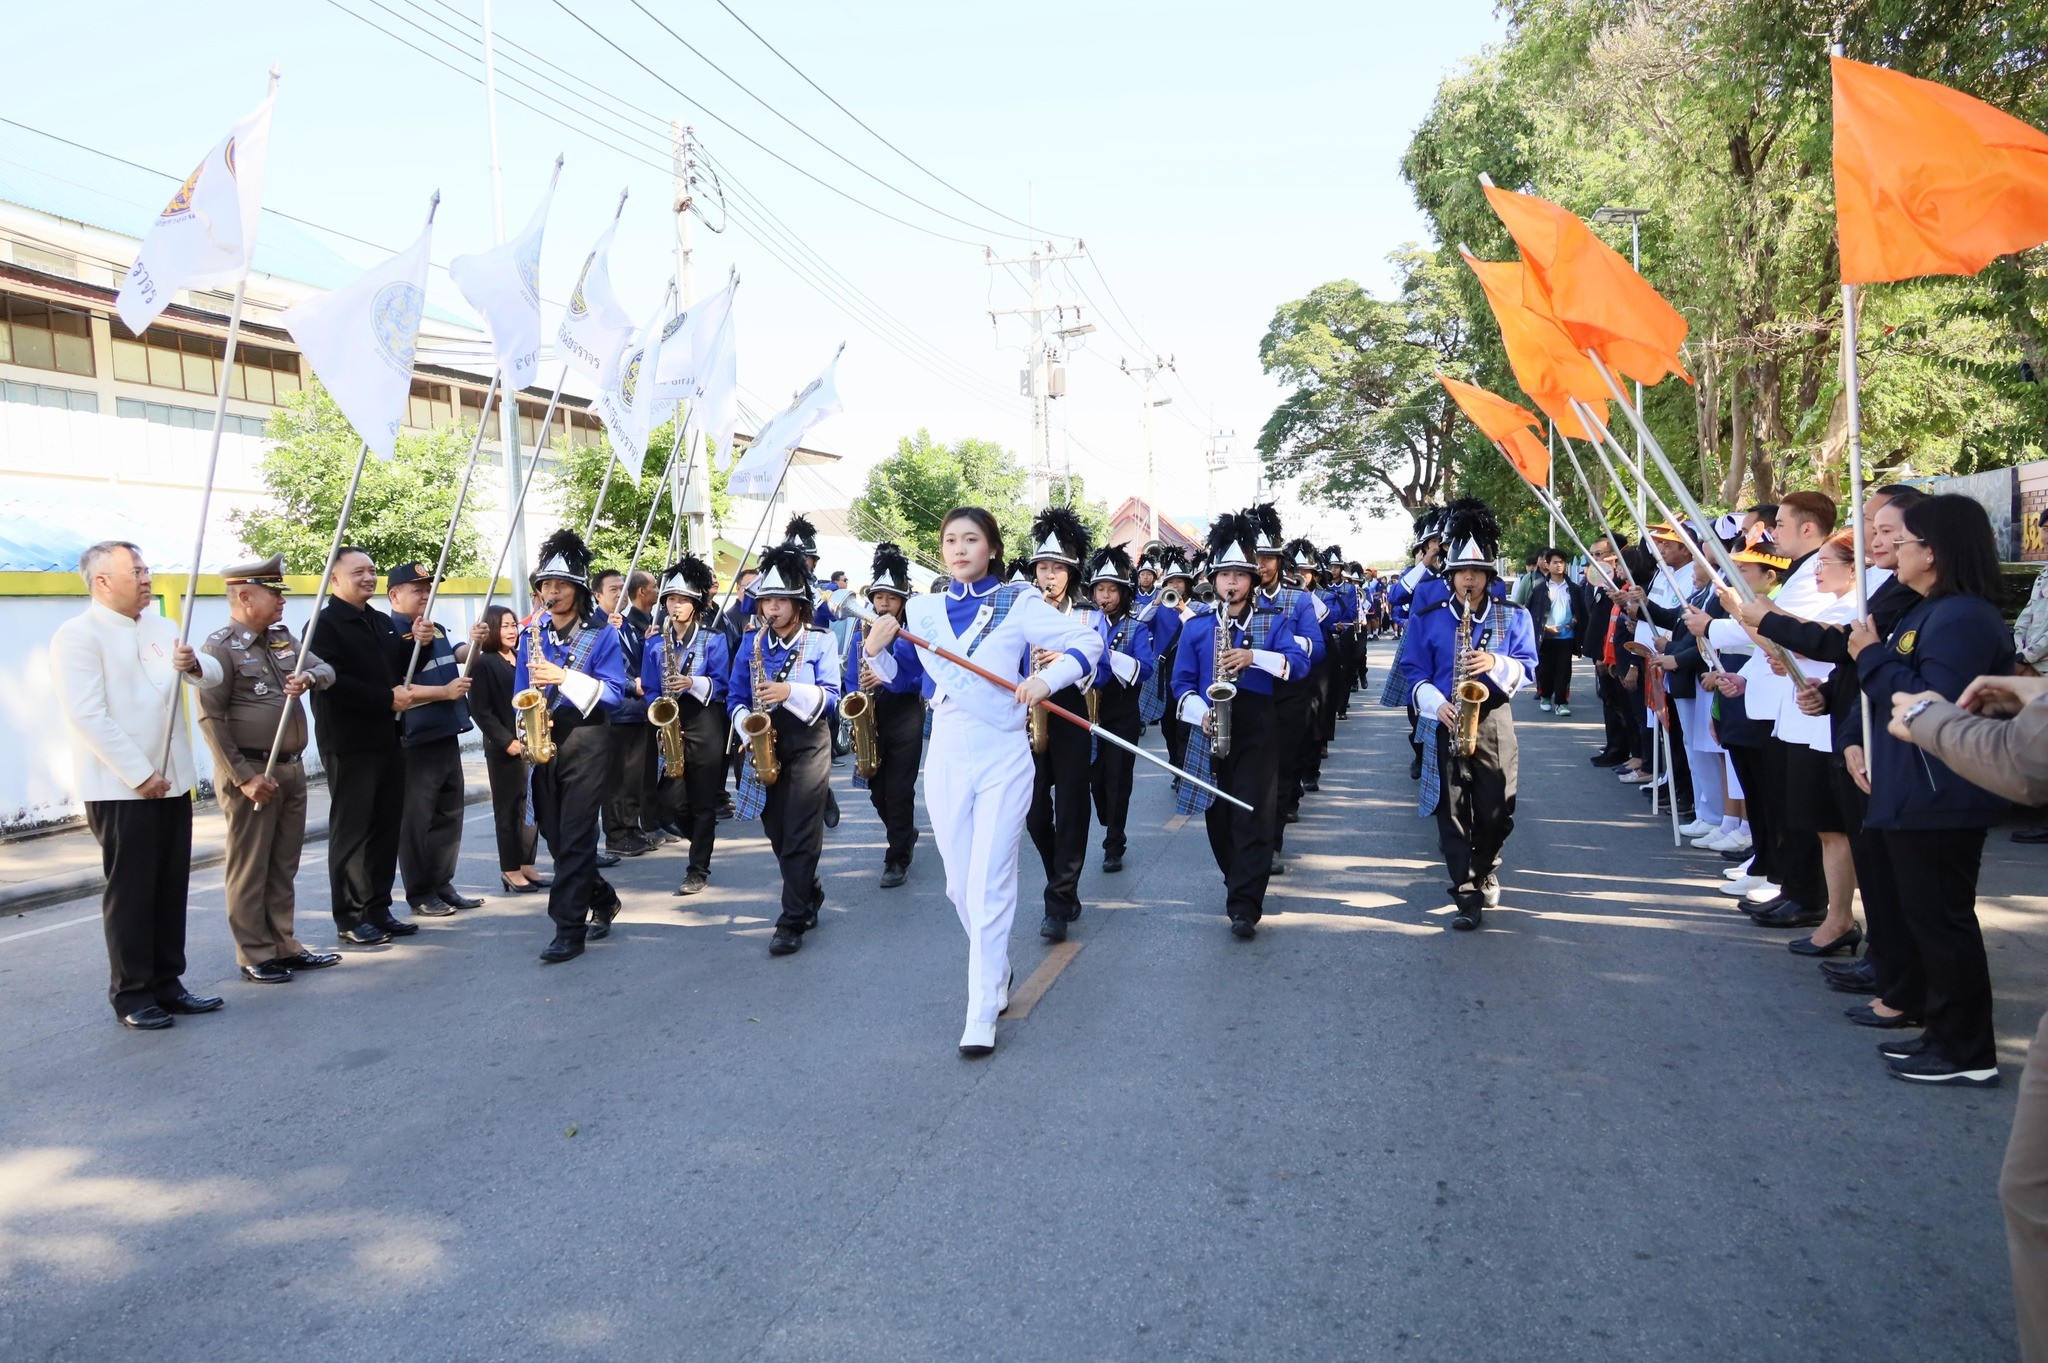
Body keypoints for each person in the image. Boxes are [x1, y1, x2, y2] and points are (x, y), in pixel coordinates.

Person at [861, 506, 1100, 1055]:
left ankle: (980, 1012)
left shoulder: (1019, 601)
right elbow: (907, 679)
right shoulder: (922, 609)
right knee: (957, 885)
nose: (959, 549)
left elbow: (1086, 646)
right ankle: (996, 968)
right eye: (950, 540)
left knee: (989, 879)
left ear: (991, 548)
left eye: (971, 539)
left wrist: (1047, 679)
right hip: (946, 749)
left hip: (1002, 750)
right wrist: (876, 650)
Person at [1848, 493, 2016, 1086]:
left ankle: (1967, 1052)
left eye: (1904, 541)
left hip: (1941, 792)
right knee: (1925, 921)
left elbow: (1933, 705)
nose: (1892, 550)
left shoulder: (1963, 617)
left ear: (1934, 552)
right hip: (1913, 790)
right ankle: (1943, 1032)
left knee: (1943, 924)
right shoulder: (1930, 610)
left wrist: (1871, 657)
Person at [51, 540, 227, 1029]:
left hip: (171, 780)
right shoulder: (77, 635)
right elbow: (88, 715)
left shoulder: (162, 626)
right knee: (132, 891)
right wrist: (140, 774)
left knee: (171, 886)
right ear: (102, 581)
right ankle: (132, 994)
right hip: (121, 787)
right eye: (137, 572)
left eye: (147, 571)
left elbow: (209, 675)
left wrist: (195, 665)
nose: (146, 579)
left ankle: (169, 984)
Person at [195, 556, 344, 985]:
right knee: (251, 866)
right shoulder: (220, 648)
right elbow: (210, 719)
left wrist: (308, 680)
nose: (281, 601)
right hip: (253, 772)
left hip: (290, 768)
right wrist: (243, 778)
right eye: (273, 593)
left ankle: (284, 944)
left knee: (283, 864)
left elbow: (326, 669)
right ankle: (254, 952)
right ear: (245, 597)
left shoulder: (282, 638)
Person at [1171, 511, 1311, 939]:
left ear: (1251, 580)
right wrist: (1200, 713)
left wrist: (1254, 657)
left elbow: (1299, 664)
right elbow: (1180, 683)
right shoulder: (1198, 627)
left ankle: (1245, 904)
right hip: (1210, 722)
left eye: (1239, 575)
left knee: (1253, 811)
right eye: (1224, 576)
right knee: (1218, 816)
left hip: (1258, 723)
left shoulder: (1274, 620)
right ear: (1213, 580)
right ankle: (1236, 880)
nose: (1231, 583)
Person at [1403, 500, 1538, 931]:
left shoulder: (1513, 615)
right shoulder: (1428, 618)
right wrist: (1434, 703)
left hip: (1493, 717)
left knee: (1497, 810)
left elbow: (1529, 668)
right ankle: (1466, 892)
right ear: (1450, 575)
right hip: (1445, 717)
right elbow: (1413, 669)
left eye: (1477, 572)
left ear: (1489, 576)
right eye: (1462, 571)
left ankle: (1485, 867)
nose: (1469, 579)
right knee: (1452, 812)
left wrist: (1494, 663)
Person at [515, 530, 631, 964]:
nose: (552, 592)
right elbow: (518, 689)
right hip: (544, 736)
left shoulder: (602, 636)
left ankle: (568, 929)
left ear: (579, 591)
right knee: (555, 836)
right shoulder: (533, 633)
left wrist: (563, 678)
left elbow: (615, 693)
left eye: (561, 585)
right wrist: (523, 724)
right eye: (546, 585)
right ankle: (602, 897)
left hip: (587, 737)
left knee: (578, 834)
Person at [727, 543, 842, 956]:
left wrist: (788, 691)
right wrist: (746, 724)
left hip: (808, 740)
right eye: (766, 601)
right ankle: (808, 889)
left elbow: (832, 697)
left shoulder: (820, 640)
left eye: (780, 601)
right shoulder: (751, 643)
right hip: (762, 743)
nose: (771, 609)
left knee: (799, 832)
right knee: (776, 831)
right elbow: (735, 695)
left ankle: (791, 920)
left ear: (798, 604)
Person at [309, 547, 426, 948]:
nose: (368, 577)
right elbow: (333, 683)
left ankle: (378, 907)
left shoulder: (380, 621)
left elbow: (400, 668)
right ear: (334, 578)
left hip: (388, 737)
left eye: (372, 570)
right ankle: (351, 915)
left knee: (384, 827)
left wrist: (422, 643)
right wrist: (385, 699)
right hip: (349, 742)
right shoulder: (323, 626)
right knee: (353, 832)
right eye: (358, 571)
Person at [383, 559, 478, 919]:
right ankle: (420, 892)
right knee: (417, 820)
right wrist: (444, 693)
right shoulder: (389, 633)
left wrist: (477, 643)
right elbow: (396, 688)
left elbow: (455, 655)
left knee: (449, 813)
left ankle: (442, 883)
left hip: (445, 731)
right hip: (415, 738)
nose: (425, 595)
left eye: (428, 589)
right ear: (394, 595)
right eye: (417, 590)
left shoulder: (434, 629)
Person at [1020, 507, 1097, 942]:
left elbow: (1102, 669)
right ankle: (1061, 882)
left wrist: (1066, 662)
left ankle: (1058, 901)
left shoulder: (1086, 615)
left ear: (1070, 572)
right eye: (1042, 567)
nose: (1048, 576)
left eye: (1057, 568)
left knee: (1071, 807)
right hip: (1027, 714)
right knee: (1034, 814)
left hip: (1070, 710)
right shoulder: (1021, 611)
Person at [642, 555, 731, 897]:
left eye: (682, 600)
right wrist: (658, 706)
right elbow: (650, 687)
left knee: (703, 800)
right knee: (670, 800)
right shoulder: (655, 642)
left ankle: (697, 868)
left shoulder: (713, 639)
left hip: (704, 720)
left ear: (696, 604)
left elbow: (722, 684)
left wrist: (691, 682)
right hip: (669, 722)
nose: (675, 605)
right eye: (670, 599)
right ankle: (702, 840)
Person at [845, 542, 926, 888]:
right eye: (879, 597)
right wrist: (856, 694)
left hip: (905, 712)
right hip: (870, 714)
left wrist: (888, 678)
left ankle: (897, 858)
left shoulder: (914, 633)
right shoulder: (861, 631)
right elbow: (851, 674)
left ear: (902, 601)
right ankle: (904, 832)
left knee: (898, 789)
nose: (884, 604)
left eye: (891, 598)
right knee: (877, 792)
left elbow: (923, 679)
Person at [1250, 506, 1325, 869]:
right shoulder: (1237, 595)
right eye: (1255, 558)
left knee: (1281, 770)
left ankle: (1272, 844)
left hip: (1289, 692)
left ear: (1279, 562)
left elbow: (1317, 647)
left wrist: (1276, 643)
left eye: (1267, 558)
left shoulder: (1299, 598)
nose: (1260, 565)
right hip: (1249, 692)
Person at [1084, 545, 1157, 875]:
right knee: (1096, 782)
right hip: (1087, 713)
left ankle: (1114, 843)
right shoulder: (1083, 623)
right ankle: (1109, 820)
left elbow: (1145, 669)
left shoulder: (1136, 628)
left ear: (1124, 593)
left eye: (1112, 590)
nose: (1105, 596)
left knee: (1117, 780)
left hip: (1122, 713)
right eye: (1100, 589)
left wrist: (1104, 655)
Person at [467, 603, 547, 895]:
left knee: (530, 807)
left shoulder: (521, 658)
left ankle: (527, 864)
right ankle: (510, 869)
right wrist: (506, 741)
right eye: (504, 626)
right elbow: (480, 710)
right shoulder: (484, 663)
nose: (512, 631)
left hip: (531, 742)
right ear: (491, 628)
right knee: (508, 810)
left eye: (514, 625)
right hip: (505, 748)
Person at [593, 567, 655, 858]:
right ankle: (616, 833)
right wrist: (632, 686)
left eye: (622, 588)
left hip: (637, 710)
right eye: (613, 590)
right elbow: (602, 669)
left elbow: (637, 660)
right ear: (598, 595)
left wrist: (647, 640)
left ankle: (631, 826)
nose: (620, 594)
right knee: (617, 778)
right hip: (615, 711)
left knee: (634, 776)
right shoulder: (594, 626)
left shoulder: (627, 624)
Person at [1381, 506, 1446, 781]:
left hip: (1449, 643)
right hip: (1419, 643)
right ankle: (1419, 752)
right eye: (1434, 541)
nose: (1440, 545)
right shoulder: (1417, 572)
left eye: (1443, 540)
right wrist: (1424, 564)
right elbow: (1395, 597)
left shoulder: (1459, 571)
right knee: (1417, 705)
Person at [1526, 549, 1583, 715]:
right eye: (1555, 562)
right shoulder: (1540, 588)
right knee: (1546, 669)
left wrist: (1574, 621)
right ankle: (1545, 696)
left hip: (1567, 636)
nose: (1558, 565)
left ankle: (1561, 702)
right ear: (1548, 564)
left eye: (1561, 562)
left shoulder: (1573, 588)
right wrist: (1545, 627)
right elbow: (1532, 613)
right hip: (1546, 636)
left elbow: (1580, 611)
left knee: (1564, 670)